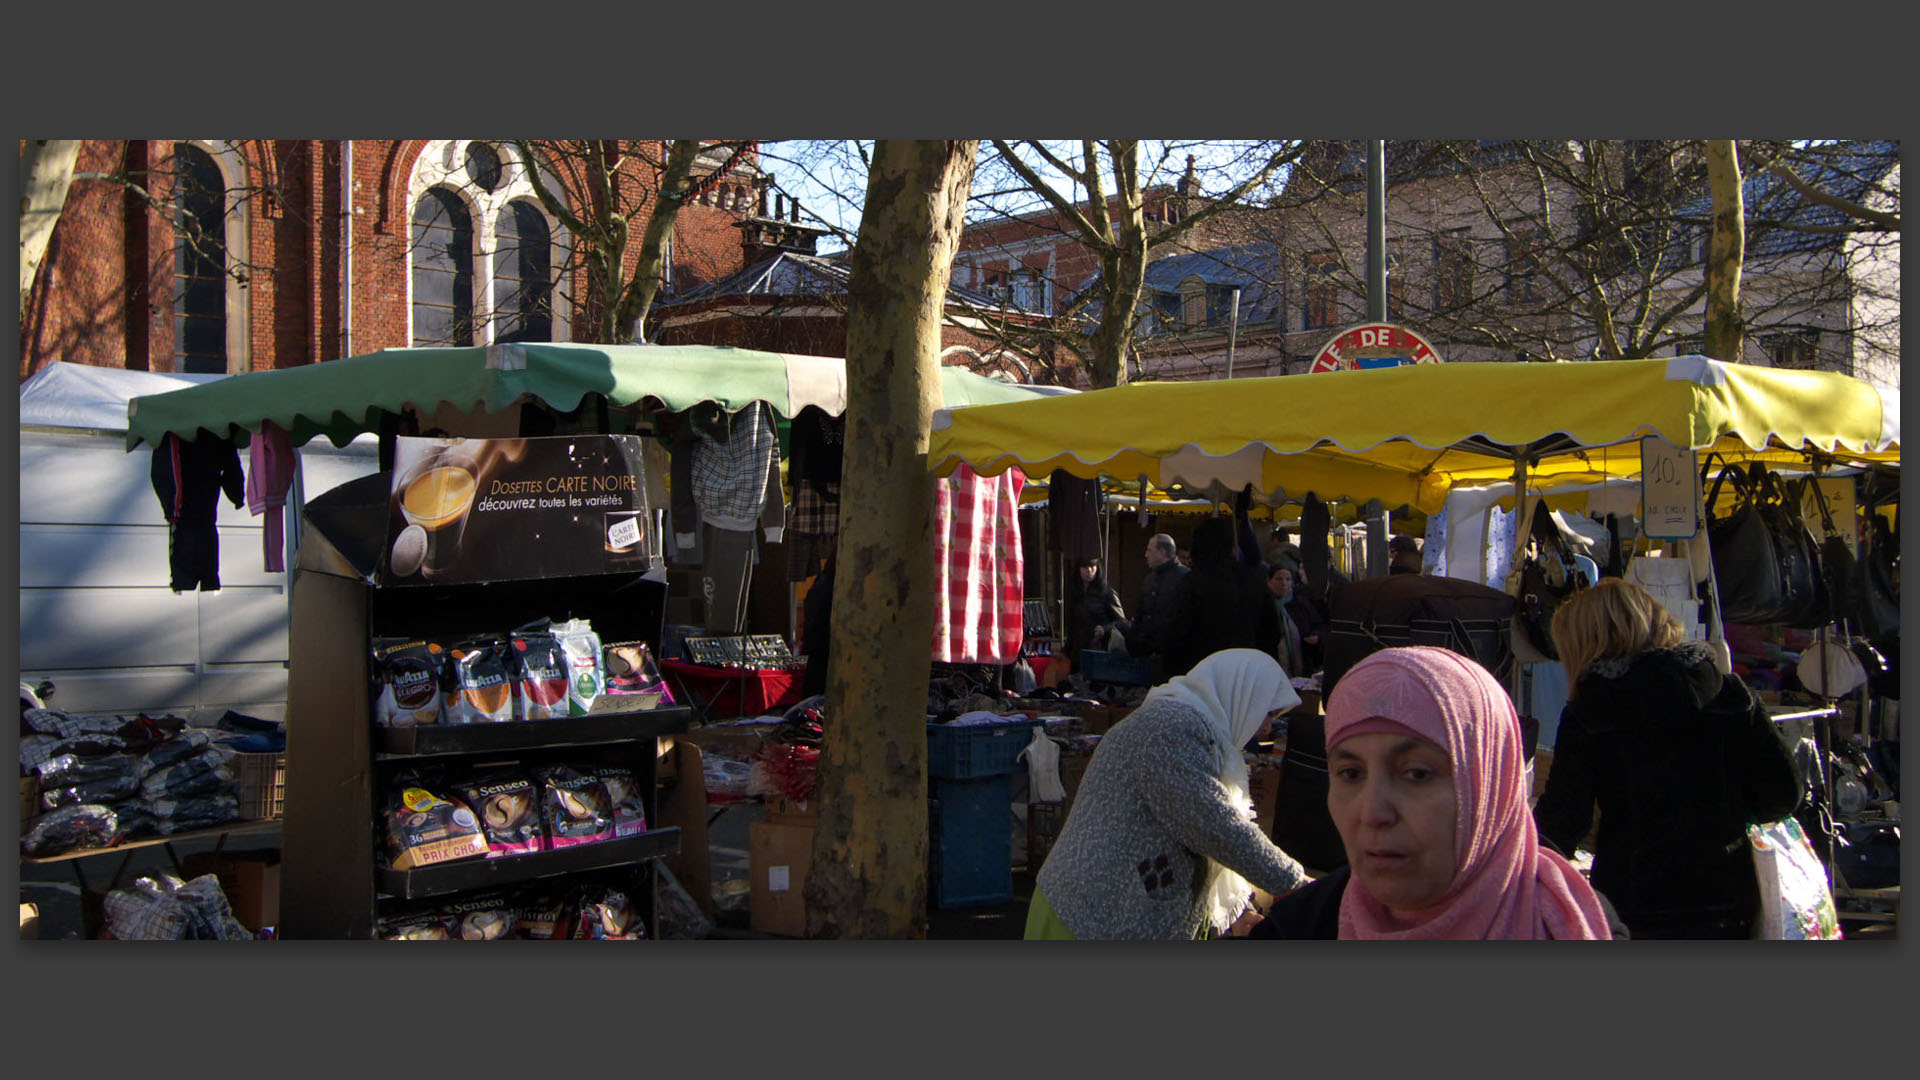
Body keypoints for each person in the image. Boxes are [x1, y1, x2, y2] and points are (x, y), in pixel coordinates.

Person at [1247, 646, 1617, 939]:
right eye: (1350, 773)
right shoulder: (1302, 926)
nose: (1373, 812)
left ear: (1489, 787)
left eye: (1417, 774)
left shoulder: (1569, 926)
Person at [1532, 579, 1802, 939]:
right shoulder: (1728, 693)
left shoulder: (1593, 711)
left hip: (1638, 905)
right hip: (1729, 898)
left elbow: (1563, 823)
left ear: (1585, 644)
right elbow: (1783, 794)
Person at [1024, 648, 1313, 939]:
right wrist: (1296, 883)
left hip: (1115, 912)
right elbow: (1214, 826)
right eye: (1266, 712)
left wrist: (1239, 910)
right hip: (1089, 916)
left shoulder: (1200, 732)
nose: (1265, 728)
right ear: (1242, 693)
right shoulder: (1170, 726)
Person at [1164, 518, 1280, 678]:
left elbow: (1175, 635)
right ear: (1231, 545)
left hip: (1201, 675)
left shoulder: (1191, 583)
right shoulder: (1254, 580)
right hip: (1246, 674)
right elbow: (1272, 631)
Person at [1120, 532, 1189, 680]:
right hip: (1151, 656)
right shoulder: (1150, 579)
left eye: (1149, 550)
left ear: (1162, 552)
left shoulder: (1185, 578)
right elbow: (1141, 613)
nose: (1146, 555)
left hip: (1176, 659)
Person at [1064, 556, 1126, 673]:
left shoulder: (1107, 593)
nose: (1089, 571)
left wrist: (1105, 628)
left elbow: (1122, 622)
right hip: (1077, 652)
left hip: (1099, 650)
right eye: (1085, 567)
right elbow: (1073, 626)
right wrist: (1066, 651)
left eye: (1093, 567)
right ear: (1078, 570)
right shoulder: (1075, 593)